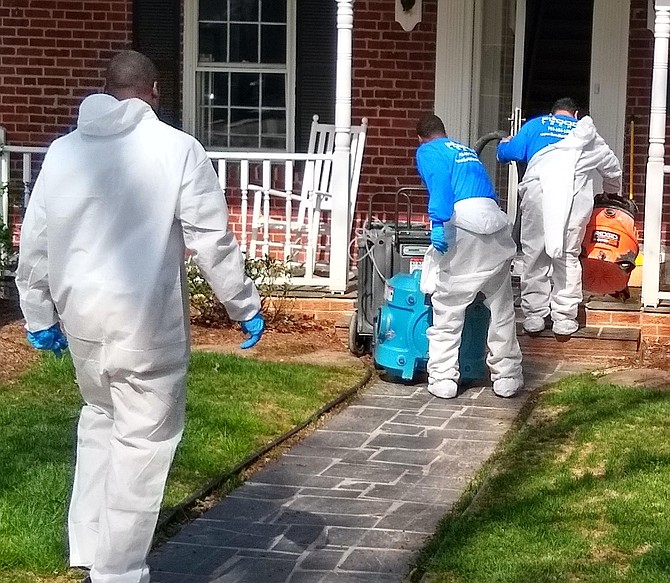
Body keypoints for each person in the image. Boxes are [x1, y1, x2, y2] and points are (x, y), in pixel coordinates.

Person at [15, 50, 265, 583]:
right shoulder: (177, 149)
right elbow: (211, 241)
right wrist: (243, 306)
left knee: (100, 422)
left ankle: (88, 546)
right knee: (142, 445)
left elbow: (35, 239)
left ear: (106, 89)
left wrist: (37, 313)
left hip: (82, 320)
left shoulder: (63, 151)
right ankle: (119, 571)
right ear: (154, 90)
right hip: (145, 323)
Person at [415, 114, 523, 399]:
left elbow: (439, 187)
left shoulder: (428, 151)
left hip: (463, 228)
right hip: (495, 225)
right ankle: (507, 377)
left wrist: (437, 224)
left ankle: (443, 379)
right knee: (501, 307)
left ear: (420, 137)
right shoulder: (463, 150)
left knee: (448, 307)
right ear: (444, 131)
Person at [497, 97, 622, 336]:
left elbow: (509, 152)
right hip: (573, 200)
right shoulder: (588, 135)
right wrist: (611, 191)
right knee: (567, 256)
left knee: (534, 254)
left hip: (538, 195)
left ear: (553, 113)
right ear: (575, 115)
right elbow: (612, 169)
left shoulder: (536, 125)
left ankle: (534, 316)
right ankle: (564, 318)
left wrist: (504, 144)